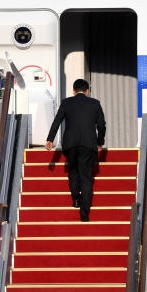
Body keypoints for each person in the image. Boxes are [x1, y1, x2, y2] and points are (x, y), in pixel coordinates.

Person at [45, 79, 106, 222]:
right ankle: (84, 209)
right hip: (88, 144)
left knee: (73, 170)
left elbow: (57, 121)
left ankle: (75, 198)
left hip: (70, 144)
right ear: (87, 91)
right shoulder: (95, 103)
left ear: (73, 91)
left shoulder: (66, 102)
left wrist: (50, 139)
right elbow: (102, 125)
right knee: (85, 175)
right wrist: (100, 142)